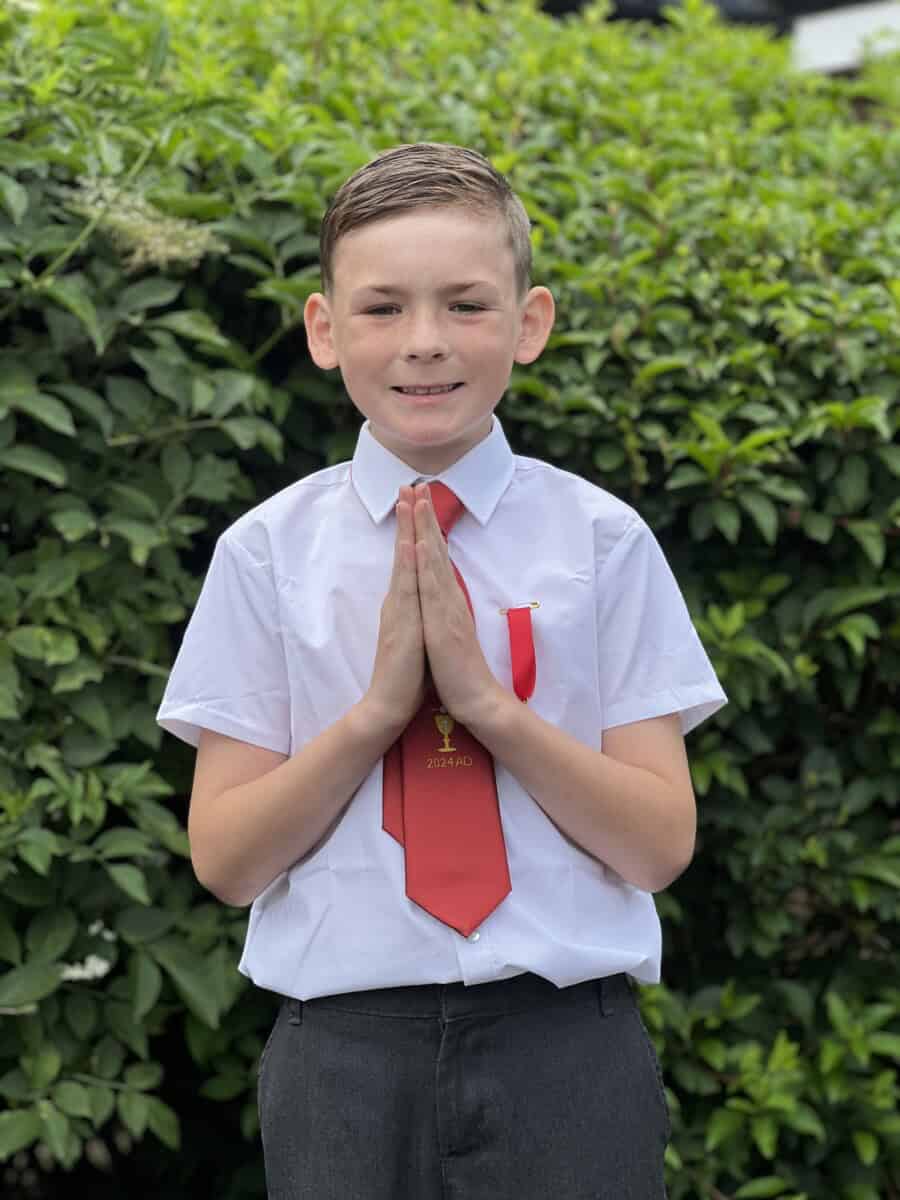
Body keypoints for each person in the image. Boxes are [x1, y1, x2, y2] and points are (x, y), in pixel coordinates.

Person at [156, 142, 727, 1199]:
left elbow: (659, 846)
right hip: (342, 1057)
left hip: (567, 1048)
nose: (424, 341)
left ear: (530, 321)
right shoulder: (266, 554)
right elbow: (227, 861)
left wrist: (487, 707)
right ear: (325, 330)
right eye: (382, 308)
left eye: (466, 304)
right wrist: (378, 711)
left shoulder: (603, 542)